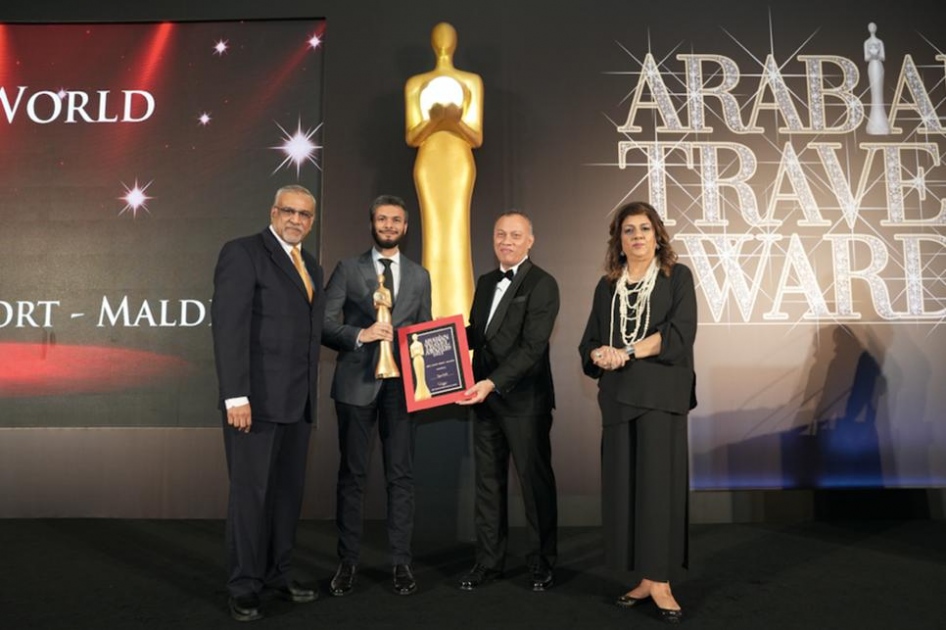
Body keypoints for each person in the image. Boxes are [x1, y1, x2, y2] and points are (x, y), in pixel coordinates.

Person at [578, 201, 697, 625]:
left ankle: (661, 580)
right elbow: (589, 343)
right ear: (619, 240)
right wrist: (600, 354)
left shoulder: (676, 277)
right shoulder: (606, 286)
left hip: (661, 398)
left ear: (657, 235)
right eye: (628, 230)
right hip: (618, 399)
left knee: (658, 491)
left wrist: (626, 351)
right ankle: (644, 578)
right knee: (627, 491)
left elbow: (678, 335)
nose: (637, 237)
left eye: (644, 228)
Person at [211, 184, 324, 622]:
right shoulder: (243, 253)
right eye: (289, 211)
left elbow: (310, 332)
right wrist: (235, 395)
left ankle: (278, 573)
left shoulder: (311, 265)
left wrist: (361, 336)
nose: (296, 219)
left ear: (311, 222)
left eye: (304, 214)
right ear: (274, 212)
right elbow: (229, 327)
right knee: (250, 497)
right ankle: (243, 585)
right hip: (254, 404)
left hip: (298, 403)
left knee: (286, 496)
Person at [322, 195, 432, 597]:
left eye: (396, 220)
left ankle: (401, 563)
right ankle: (347, 562)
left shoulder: (420, 276)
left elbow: (425, 330)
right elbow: (323, 323)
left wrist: (439, 369)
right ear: (372, 223)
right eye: (382, 219)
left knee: (401, 477)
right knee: (352, 476)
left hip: (402, 389)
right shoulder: (348, 269)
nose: (389, 225)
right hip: (356, 385)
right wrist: (361, 334)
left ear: (406, 227)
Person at [457, 211, 560, 592]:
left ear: (530, 241)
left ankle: (542, 563)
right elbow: (478, 334)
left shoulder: (543, 283)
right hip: (484, 400)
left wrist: (492, 383)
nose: (507, 241)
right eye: (501, 234)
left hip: (525, 402)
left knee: (534, 485)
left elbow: (533, 347)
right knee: (488, 485)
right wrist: (437, 338)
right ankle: (488, 562)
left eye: (516, 235)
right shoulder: (485, 282)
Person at [405, 21, 483, 319]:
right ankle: (431, 319)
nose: (443, 40)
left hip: (459, 162)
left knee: (457, 235)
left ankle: (464, 322)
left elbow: (476, 137)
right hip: (429, 163)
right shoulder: (415, 83)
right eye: (438, 35)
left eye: (448, 35)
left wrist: (453, 121)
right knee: (434, 237)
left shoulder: (471, 81)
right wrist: (435, 120)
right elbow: (412, 137)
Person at [409, 333, 432, 401]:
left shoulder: (420, 344)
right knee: (418, 375)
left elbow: (422, 352)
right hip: (415, 360)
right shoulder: (411, 346)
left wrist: (418, 352)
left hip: (420, 359)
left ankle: (425, 392)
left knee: (422, 374)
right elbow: (412, 355)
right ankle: (419, 393)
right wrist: (416, 353)